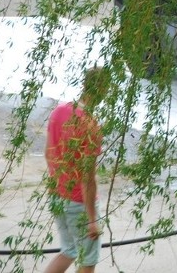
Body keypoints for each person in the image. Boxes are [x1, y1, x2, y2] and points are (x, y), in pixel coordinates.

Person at [44, 66, 110, 273]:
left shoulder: (60, 111)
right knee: (87, 259)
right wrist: (92, 220)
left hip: (56, 195)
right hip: (77, 202)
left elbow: (48, 152)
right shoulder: (90, 126)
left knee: (69, 250)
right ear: (101, 88)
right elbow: (88, 178)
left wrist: (58, 183)